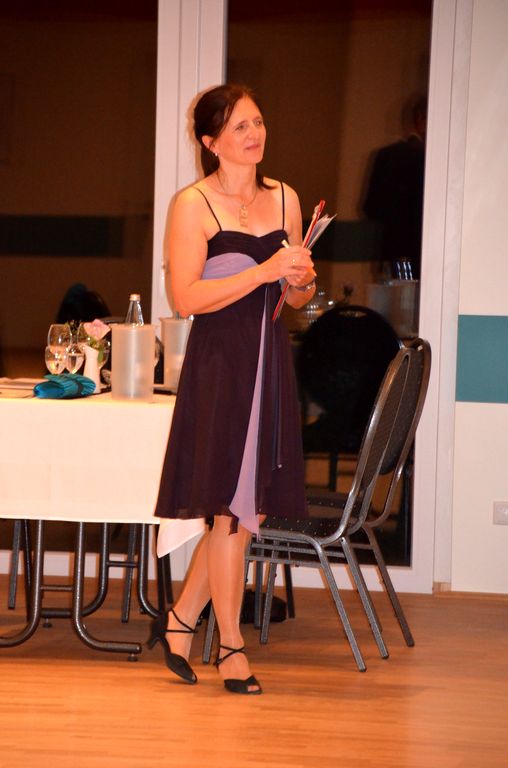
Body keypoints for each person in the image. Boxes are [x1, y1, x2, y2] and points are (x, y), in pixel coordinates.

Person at [150, 83, 316, 695]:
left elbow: (293, 298)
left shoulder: (286, 198)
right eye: (240, 126)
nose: (254, 134)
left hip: (269, 363)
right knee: (229, 509)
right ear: (210, 141)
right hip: (221, 364)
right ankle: (231, 646)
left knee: (249, 509)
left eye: (258, 122)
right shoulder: (192, 204)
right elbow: (186, 297)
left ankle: (179, 622)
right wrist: (266, 269)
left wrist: (301, 279)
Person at [363, 96, 427, 280]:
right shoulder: (436, 161)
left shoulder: (388, 156)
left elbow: (371, 208)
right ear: (421, 119)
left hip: (394, 250)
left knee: (398, 296)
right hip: (430, 252)